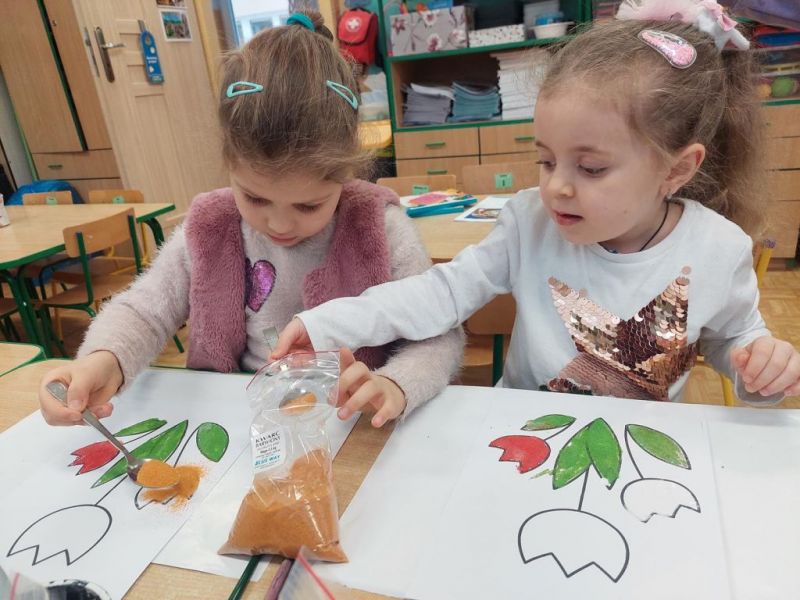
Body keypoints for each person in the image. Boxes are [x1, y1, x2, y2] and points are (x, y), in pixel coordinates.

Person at [274, 2, 800, 403]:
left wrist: (759, 366)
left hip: (636, 453)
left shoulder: (720, 248)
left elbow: (734, 339)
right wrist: (330, 323)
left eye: (590, 168)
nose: (557, 188)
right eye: (546, 161)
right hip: (519, 435)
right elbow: (441, 293)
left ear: (676, 169)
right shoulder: (529, 222)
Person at [38, 10, 463, 428]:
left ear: (347, 173)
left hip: (350, 422)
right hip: (237, 420)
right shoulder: (210, 226)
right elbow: (145, 309)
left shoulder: (380, 229)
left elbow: (439, 334)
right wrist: (102, 359)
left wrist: (396, 383)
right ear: (229, 164)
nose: (279, 225)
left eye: (308, 206)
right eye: (255, 198)